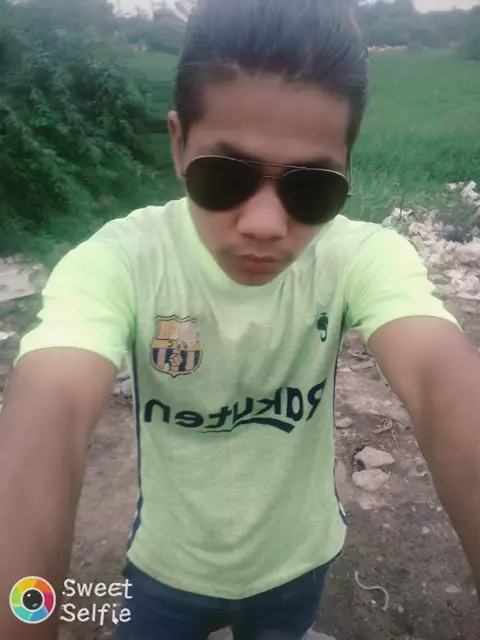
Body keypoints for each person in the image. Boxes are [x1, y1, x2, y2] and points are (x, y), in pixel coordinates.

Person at [0, 1, 479, 638]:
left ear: (346, 169)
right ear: (178, 144)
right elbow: (49, 414)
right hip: (164, 569)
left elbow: (444, 382)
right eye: (224, 177)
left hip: (297, 562)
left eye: (311, 188)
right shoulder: (122, 261)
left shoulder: (359, 255)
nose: (264, 224)